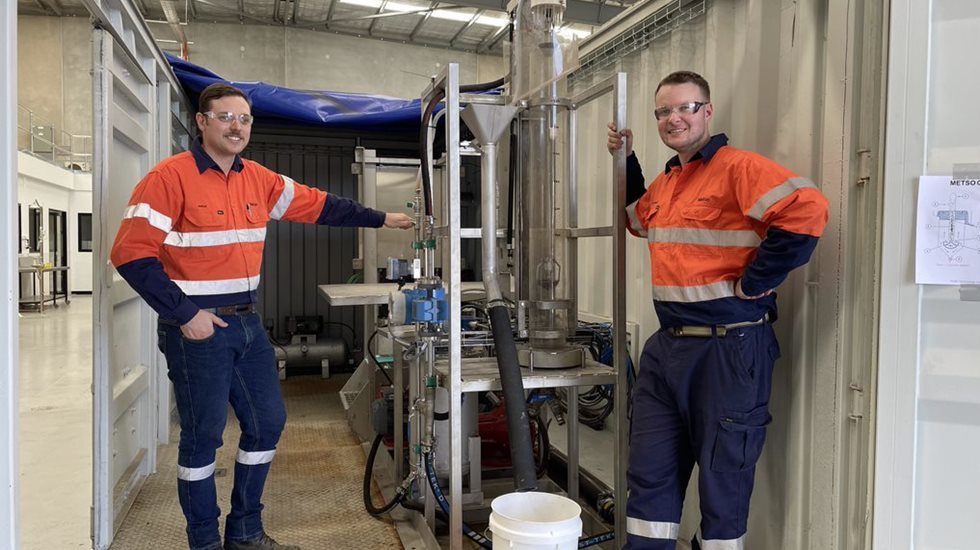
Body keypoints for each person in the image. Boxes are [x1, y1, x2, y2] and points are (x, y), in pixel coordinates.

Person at [110, 83, 414, 550]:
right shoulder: (169, 178)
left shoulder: (260, 180)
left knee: (267, 423)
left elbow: (323, 205)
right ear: (202, 122)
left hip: (248, 324)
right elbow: (130, 255)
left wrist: (382, 218)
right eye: (226, 117)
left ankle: (246, 531)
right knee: (203, 440)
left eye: (245, 118)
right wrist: (184, 313)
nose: (237, 126)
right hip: (197, 329)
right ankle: (204, 541)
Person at [607, 71, 829, 550]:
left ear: (707, 111)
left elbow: (807, 210)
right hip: (667, 350)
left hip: (730, 350)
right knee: (649, 474)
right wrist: (626, 160)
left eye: (685, 108)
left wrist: (758, 281)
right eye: (663, 112)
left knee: (722, 483)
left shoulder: (737, 168)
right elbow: (636, 220)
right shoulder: (668, 183)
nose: (674, 119)